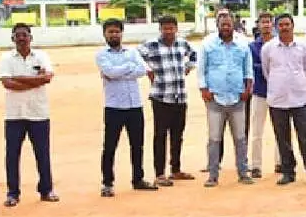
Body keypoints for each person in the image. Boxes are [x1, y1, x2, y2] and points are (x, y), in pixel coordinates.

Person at [261, 13, 306, 185]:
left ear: (293, 26)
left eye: (287, 24)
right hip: (277, 100)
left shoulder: (304, 48)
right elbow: (267, 72)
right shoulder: (268, 48)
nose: (284, 27)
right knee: (283, 138)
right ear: (276, 27)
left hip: (299, 99)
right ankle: (288, 172)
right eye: (281, 25)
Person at [0, 23, 58, 206]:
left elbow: (47, 78)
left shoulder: (42, 56)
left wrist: (18, 79)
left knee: (42, 153)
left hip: (38, 112)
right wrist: (36, 81)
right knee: (12, 155)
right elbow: (7, 83)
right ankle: (13, 193)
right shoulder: (6, 58)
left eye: (25, 35)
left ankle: (46, 190)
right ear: (12, 39)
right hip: (14, 114)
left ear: (31, 37)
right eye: (18, 35)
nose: (21, 38)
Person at [96, 19, 158, 196]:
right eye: (111, 32)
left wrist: (118, 72)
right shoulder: (101, 55)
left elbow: (143, 70)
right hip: (114, 106)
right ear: (105, 34)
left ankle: (138, 179)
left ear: (122, 33)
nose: (114, 35)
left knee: (137, 145)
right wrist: (128, 68)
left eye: (117, 31)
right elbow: (110, 72)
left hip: (134, 105)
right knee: (110, 146)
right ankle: (107, 183)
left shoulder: (132, 51)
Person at [199, 10, 254, 187]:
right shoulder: (208, 43)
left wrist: (248, 88)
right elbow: (202, 69)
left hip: (237, 96)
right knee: (214, 138)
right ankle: (213, 175)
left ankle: (243, 172)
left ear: (233, 25)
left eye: (228, 24)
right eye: (223, 24)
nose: (226, 27)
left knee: (240, 137)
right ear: (218, 26)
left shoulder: (243, 43)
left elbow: (248, 68)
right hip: (215, 97)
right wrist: (204, 89)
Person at [139, 15, 196, 186]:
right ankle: (159, 173)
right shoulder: (151, 45)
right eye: (165, 28)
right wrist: (148, 69)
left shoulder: (182, 44)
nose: (169, 31)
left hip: (179, 96)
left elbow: (194, 55)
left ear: (176, 29)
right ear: (160, 29)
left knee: (178, 136)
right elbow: (136, 57)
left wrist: (187, 68)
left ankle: (176, 170)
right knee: (160, 136)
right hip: (161, 97)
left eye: (172, 28)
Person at [247, 11, 281, 178]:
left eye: (269, 22)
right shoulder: (252, 47)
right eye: (263, 22)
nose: (266, 25)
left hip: (277, 93)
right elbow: (252, 68)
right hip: (259, 92)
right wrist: (269, 68)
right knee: (257, 131)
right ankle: (255, 165)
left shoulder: (278, 44)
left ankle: (280, 162)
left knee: (280, 130)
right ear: (258, 25)